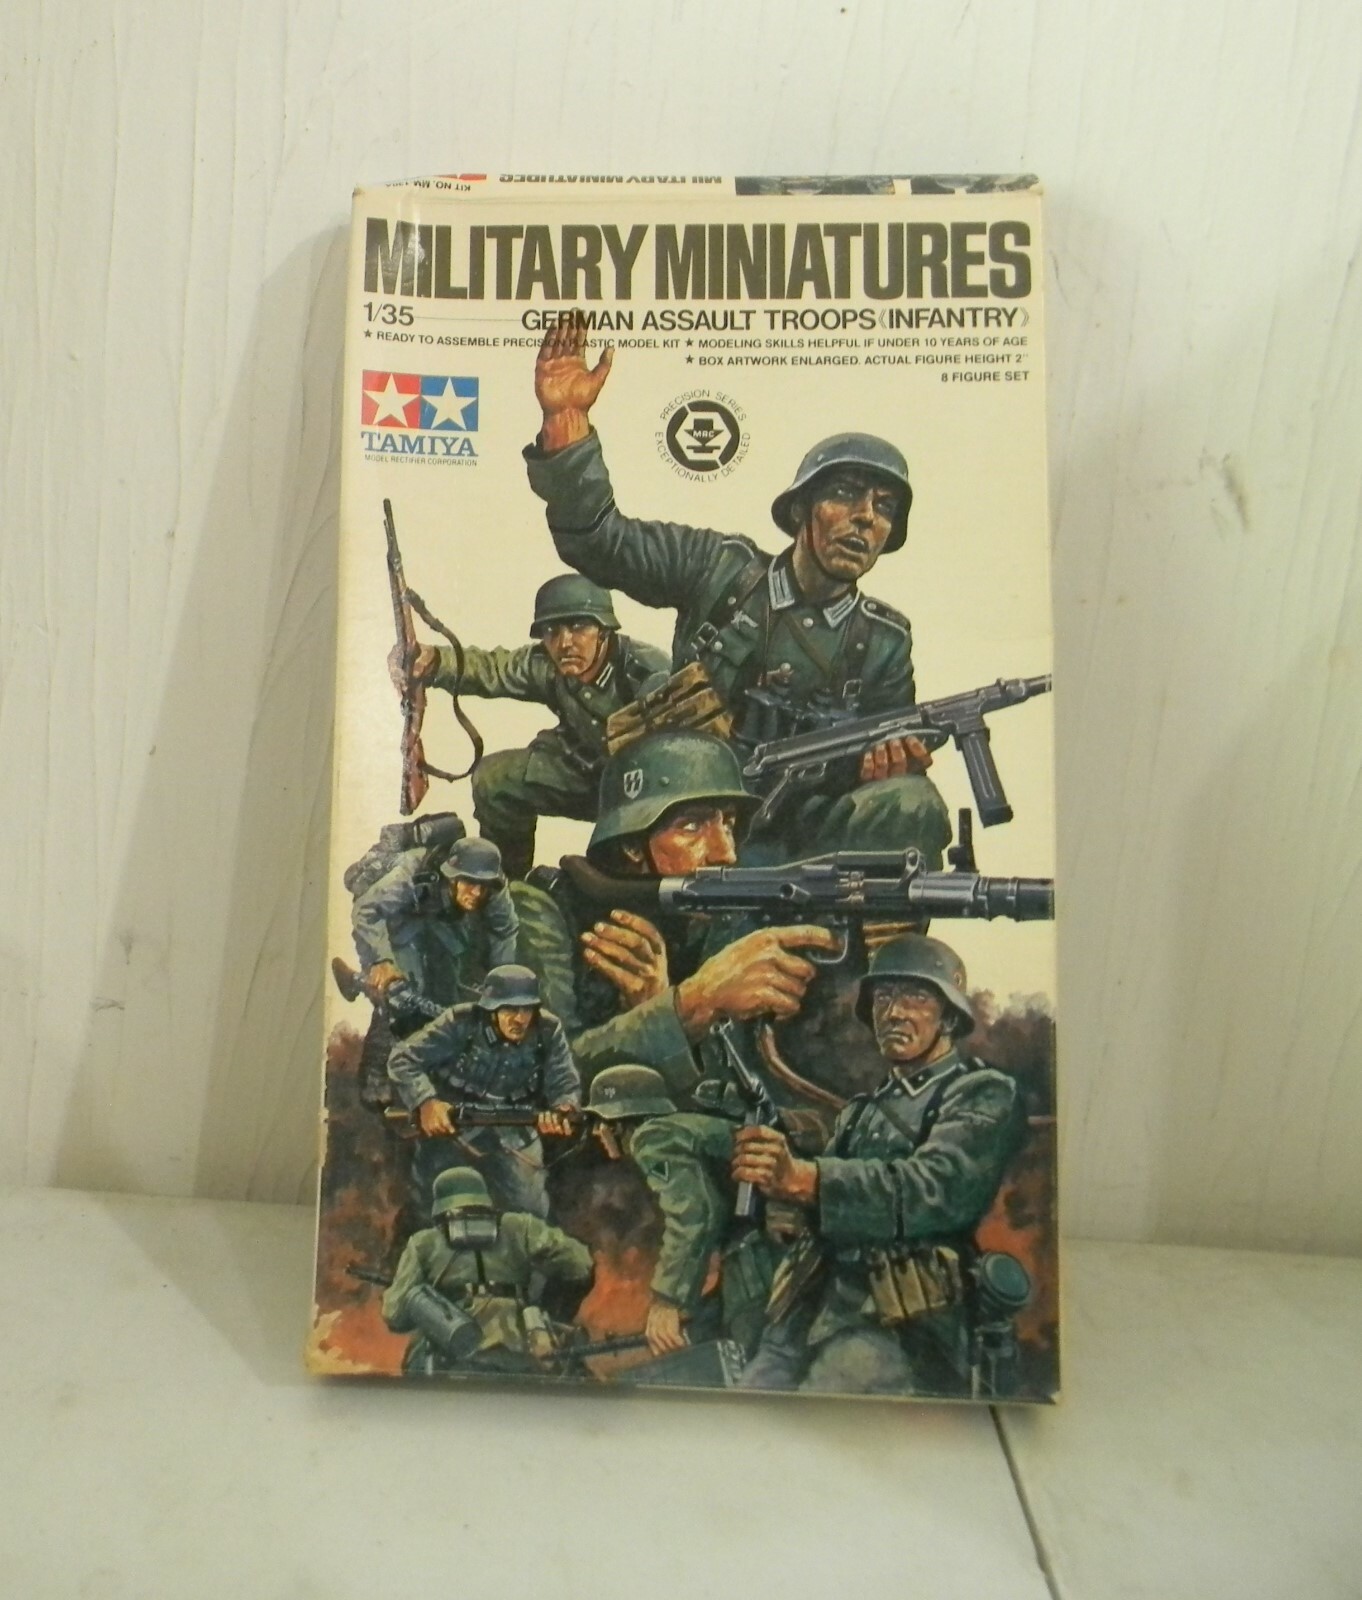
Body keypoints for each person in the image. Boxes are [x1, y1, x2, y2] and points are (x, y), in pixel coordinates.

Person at [523, 317, 951, 864]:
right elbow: (602, 542)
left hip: (800, 838)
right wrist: (566, 424)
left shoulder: (885, 641)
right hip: (687, 819)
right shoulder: (719, 568)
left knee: (913, 803)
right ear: (800, 509)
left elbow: (882, 757)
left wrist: (889, 763)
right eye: (845, 494)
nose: (865, 517)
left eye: (884, 507)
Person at [732, 933, 1023, 1397]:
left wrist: (806, 1179)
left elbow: (933, 1189)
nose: (894, 1012)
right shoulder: (860, 1113)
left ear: (949, 1016)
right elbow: (820, 1208)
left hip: (907, 1324)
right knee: (750, 1391)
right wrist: (783, 1200)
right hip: (816, 1308)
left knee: (826, 1394)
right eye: (883, 997)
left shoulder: (982, 1092)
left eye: (915, 997)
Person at [513, 728, 839, 1098]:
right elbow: (538, 1070)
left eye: (728, 824)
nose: (725, 852)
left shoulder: (717, 923)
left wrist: (661, 1006)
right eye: (692, 826)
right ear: (632, 844)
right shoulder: (541, 909)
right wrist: (689, 1005)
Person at [405, 574, 669, 879]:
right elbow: (495, 668)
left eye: (578, 627)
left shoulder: (647, 672)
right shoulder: (546, 664)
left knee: (615, 879)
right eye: (551, 631)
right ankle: (503, 884)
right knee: (495, 779)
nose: (564, 643)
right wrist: (436, 661)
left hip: (645, 790)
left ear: (603, 630)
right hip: (586, 775)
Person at [583, 1064, 777, 1358]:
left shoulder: (652, 1138)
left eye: (600, 1122)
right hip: (756, 1255)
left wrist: (667, 1302)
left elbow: (694, 1215)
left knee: (749, 1360)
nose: (597, 1132)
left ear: (618, 1123)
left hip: (756, 1261)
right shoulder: (681, 1130)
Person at [386, 964, 580, 1221]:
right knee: (433, 1207)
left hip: (515, 1133)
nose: (520, 1019)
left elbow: (565, 1083)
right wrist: (426, 1102)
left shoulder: (547, 1030)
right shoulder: (460, 1023)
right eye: (510, 1009)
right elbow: (402, 1059)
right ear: (491, 1008)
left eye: (527, 1009)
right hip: (452, 1132)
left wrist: (564, 1109)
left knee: (530, 1214)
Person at [382, 1166, 593, 1376]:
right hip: (519, 1351)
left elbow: (394, 1314)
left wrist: (425, 1301)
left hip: (451, 1356)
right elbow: (580, 1263)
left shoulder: (424, 1242)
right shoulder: (520, 1226)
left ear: (441, 1204)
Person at [352, 835, 517, 1018]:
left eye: (483, 885)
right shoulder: (409, 874)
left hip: (444, 921)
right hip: (400, 919)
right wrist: (381, 960)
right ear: (452, 878)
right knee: (403, 991)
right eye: (470, 882)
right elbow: (366, 909)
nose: (477, 892)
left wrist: (502, 987)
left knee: (448, 988)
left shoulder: (495, 887)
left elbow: (505, 931)